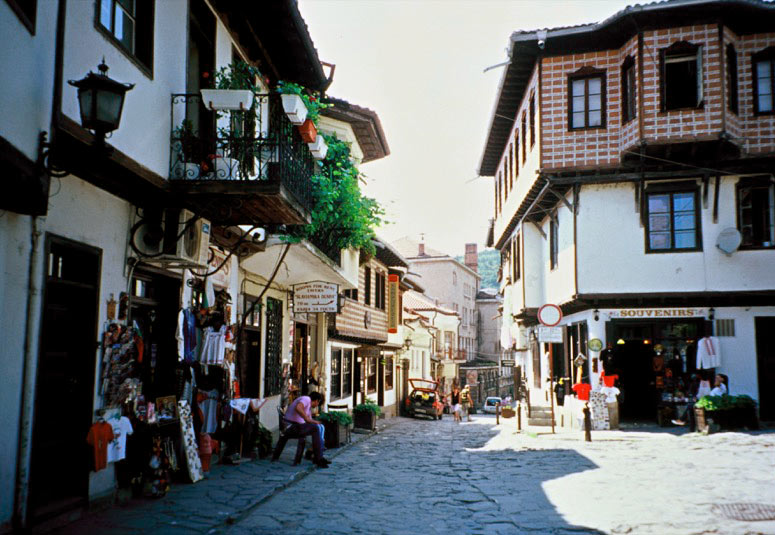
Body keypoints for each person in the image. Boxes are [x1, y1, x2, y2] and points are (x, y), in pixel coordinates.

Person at [273, 391, 330, 467]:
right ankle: (318, 458)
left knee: (318, 427)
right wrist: (306, 418)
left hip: (296, 426)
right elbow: (298, 408)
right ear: (317, 401)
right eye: (318, 404)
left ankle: (319, 456)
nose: (317, 406)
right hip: (290, 426)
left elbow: (309, 421)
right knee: (315, 429)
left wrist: (315, 422)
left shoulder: (308, 408)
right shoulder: (306, 399)